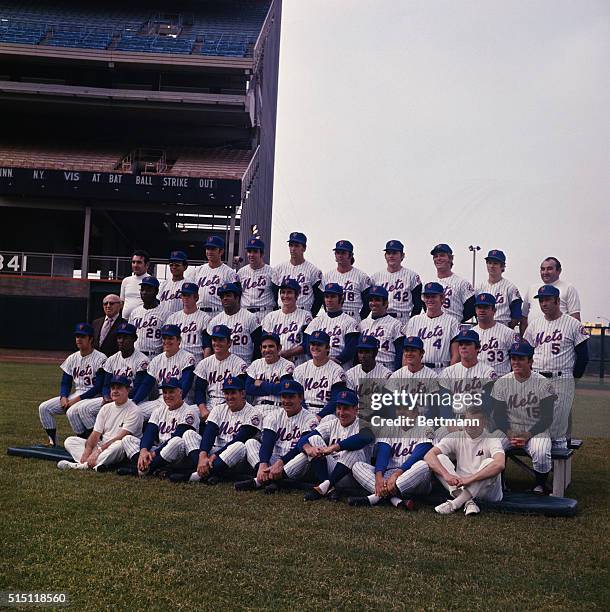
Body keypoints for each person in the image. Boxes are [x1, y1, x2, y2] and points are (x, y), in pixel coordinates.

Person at [523, 285, 589, 448]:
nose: (544, 303)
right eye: (541, 300)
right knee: (536, 424)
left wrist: (574, 377)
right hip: (537, 378)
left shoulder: (573, 324)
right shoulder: (534, 324)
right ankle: (541, 461)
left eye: (548, 300)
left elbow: (583, 356)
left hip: (561, 378)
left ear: (558, 301)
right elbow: (527, 352)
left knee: (557, 429)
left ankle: (559, 470)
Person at [491, 341, 555, 493]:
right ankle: (499, 483)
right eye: (513, 358)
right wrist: (509, 432)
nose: (516, 362)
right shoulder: (502, 382)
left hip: (536, 431)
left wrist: (528, 434)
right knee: (492, 444)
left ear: (530, 361)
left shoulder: (543, 383)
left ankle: (540, 484)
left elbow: (547, 418)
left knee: (541, 452)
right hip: (510, 430)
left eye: (520, 358)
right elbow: (498, 416)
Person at [235, 380, 319, 493]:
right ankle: (270, 479)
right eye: (284, 396)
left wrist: (281, 463)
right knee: (251, 442)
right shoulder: (274, 415)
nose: (286, 400)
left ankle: (259, 481)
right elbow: (267, 444)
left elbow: (299, 448)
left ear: (301, 398)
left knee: (304, 454)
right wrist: (263, 464)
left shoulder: (310, 419)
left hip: (294, 462)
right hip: (273, 460)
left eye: (291, 396)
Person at [67, 322, 149, 438]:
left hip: (133, 400)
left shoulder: (142, 360)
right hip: (113, 397)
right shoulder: (112, 359)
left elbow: (139, 387)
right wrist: (106, 396)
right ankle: (93, 440)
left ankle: (102, 440)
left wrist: (118, 398)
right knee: (83, 409)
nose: (121, 340)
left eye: (125, 337)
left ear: (134, 339)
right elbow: (106, 384)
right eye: (119, 337)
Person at [290, 389, 374, 501]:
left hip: (355, 475)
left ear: (356, 409)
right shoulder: (332, 424)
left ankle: (325, 486)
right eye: (339, 408)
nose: (341, 412)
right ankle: (328, 486)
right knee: (314, 439)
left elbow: (362, 438)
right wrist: (308, 448)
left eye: (346, 408)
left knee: (355, 450)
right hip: (333, 471)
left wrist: (334, 447)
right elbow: (304, 439)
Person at [425, 406, 505, 516]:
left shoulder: (492, 439)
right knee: (439, 458)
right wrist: (447, 475)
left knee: (490, 463)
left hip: (487, 492)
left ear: (484, 422)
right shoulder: (456, 436)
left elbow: (499, 464)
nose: (469, 425)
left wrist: (470, 479)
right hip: (461, 485)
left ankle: (454, 504)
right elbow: (429, 455)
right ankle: (468, 502)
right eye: (467, 421)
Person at [181, 376, 262, 484]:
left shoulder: (254, 413)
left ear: (242, 393)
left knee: (238, 446)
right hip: (215, 452)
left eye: (233, 393)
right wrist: (203, 455)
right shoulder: (219, 409)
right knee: (189, 434)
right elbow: (209, 433)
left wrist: (215, 455)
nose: (229, 397)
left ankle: (194, 475)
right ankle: (211, 471)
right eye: (226, 393)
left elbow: (241, 438)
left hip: (236, 456)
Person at [38, 323, 107, 446]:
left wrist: (76, 400)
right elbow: (65, 382)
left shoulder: (100, 358)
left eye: (82, 336)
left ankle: (89, 442)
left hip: (94, 396)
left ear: (91, 339)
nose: (78, 339)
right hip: (76, 395)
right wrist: (63, 396)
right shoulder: (72, 358)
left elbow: (99, 387)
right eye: (77, 336)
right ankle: (53, 442)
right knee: (44, 408)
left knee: (72, 411)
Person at [57, 375, 142, 471]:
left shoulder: (134, 410)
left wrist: (99, 450)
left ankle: (80, 466)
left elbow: (121, 437)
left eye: (119, 388)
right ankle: (95, 463)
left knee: (119, 445)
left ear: (128, 390)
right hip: (103, 445)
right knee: (70, 441)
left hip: (119, 448)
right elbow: (95, 434)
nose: (115, 391)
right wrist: (87, 450)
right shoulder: (106, 408)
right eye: (113, 388)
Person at [119, 378, 199, 477]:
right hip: (159, 450)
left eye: (171, 392)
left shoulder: (189, 412)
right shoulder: (159, 410)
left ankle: (139, 470)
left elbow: (178, 435)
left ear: (180, 392)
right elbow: (149, 432)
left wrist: (154, 454)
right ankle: (156, 468)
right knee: (127, 439)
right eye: (165, 392)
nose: (167, 396)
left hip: (179, 452)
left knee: (176, 441)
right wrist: (144, 451)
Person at [135, 324, 197, 420]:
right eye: (164, 338)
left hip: (183, 401)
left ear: (179, 340)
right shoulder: (157, 360)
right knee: (135, 412)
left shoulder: (187, 357)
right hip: (161, 400)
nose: (166, 341)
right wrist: (134, 401)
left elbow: (186, 384)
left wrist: (172, 405)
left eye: (170, 338)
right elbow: (146, 385)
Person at [192, 325, 248, 424]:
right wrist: (203, 409)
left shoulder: (239, 364)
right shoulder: (205, 363)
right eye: (214, 340)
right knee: (188, 412)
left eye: (221, 340)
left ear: (229, 343)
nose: (217, 343)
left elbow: (241, 393)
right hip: (210, 403)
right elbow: (199, 391)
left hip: (230, 404)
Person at [403, 282, 459, 373]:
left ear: (442, 298)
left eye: (433, 296)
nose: (429, 299)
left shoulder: (452, 322)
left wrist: (451, 375)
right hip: (418, 370)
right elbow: (406, 353)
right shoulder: (414, 321)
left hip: (441, 369)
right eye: (427, 297)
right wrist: (405, 374)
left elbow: (456, 354)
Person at [292, 330, 348, 417]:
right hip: (303, 413)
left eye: (319, 344)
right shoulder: (300, 369)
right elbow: (298, 397)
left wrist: (320, 416)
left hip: (328, 415)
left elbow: (335, 399)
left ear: (327, 348)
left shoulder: (337, 370)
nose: (315, 347)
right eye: (313, 344)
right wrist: (305, 415)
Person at [304, 283, 360, 369]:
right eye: (327, 296)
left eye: (333, 296)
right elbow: (307, 345)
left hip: (341, 366)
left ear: (341, 299)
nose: (329, 300)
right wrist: (319, 360)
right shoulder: (316, 321)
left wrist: (337, 361)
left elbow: (351, 349)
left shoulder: (350, 322)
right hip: (318, 366)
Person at [261, 278, 312, 366]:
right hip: (276, 363)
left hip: (298, 362)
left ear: (297, 295)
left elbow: (307, 344)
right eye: (283, 292)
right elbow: (264, 342)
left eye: (289, 292)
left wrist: (287, 354)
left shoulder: (305, 316)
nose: (285, 295)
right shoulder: (270, 317)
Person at [207, 282, 261, 364]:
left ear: (237, 298)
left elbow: (258, 345)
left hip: (245, 364)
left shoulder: (250, 318)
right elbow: (210, 347)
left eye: (228, 295)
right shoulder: (215, 321)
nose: (225, 298)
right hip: (221, 366)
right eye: (222, 296)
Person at [521, 257, 581, 330]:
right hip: (534, 336)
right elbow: (524, 318)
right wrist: (523, 339)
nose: (545, 272)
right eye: (543, 269)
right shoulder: (532, 289)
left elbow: (575, 318)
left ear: (559, 271)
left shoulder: (568, 288)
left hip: (558, 336)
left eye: (549, 269)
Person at [371, 240, 422, 324]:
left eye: (394, 253)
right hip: (380, 319)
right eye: (388, 253)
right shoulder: (375, 277)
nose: (391, 256)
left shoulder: (412, 276)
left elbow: (418, 304)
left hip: (403, 319)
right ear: (385, 256)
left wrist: (411, 322)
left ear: (402, 255)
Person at [272, 232, 323, 315]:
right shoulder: (279, 269)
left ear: (304, 248)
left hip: (304, 312)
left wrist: (312, 315)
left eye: (296, 245)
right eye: (291, 245)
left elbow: (319, 298)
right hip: (282, 312)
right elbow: (273, 294)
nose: (293, 248)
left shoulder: (313, 270)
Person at [245, 332, 295, 416]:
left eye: (271, 346)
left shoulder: (287, 365)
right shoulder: (256, 364)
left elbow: (282, 390)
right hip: (257, 407)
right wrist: (273, 387)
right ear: (260, 349)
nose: (267, 350)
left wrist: (261, 383)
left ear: (279, 348)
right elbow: (248, 389)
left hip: (278, 408)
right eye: (264, 347)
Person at [187, 236, 239, 315]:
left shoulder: (230, 273)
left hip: (218, 312)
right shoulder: (197, 271)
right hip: (198, 312)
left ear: (221, 251)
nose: (209, 252)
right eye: (208, 248)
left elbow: (236, 298)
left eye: (213, 249)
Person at [322, 240, 372, 322]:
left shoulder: (361, 276)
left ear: (351, 255)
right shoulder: (328, 276)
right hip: (333, 318)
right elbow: (323, 299)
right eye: (338, 252)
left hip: (353, 316)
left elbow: (367, 302)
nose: (340, 255)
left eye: (343, 253)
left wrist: (361, 318)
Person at [471, 293, 520, 376]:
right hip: (477, 380)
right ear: (475, 310)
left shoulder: (508, 332)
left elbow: (517, 358)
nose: (482, 310)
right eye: (479, 307)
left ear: (494, 310)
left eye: (486, 307)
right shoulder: (471, 333)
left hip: (501, 379)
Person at [358, 285, 404, 371]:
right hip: (366, 369)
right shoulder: (363, 324)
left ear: (386, 303)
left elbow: (400, 353)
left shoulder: (396, 324)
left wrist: (396, 373)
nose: (373, 303)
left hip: (387, 368)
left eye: (377, 300)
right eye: (371, 300)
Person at [166, 282, 211, 362]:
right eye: (184, 295)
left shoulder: (205, 318)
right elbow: (167, 344)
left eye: (189, 295)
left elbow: (207, 346)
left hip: (196, 360)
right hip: (176, 360)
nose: (186, 298)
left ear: (196, 297)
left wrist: (204, 365)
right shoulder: (172, 318)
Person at [476, 250, 522, 328]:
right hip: (483, 327)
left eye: (495, 263)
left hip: (502, 325)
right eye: (489, 263)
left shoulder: (510, 287)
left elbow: (517, 313)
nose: (492, 266)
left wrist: (507, 329)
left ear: (502, 266)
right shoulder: (479, 287)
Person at [430, 243, 475, 322]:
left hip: (454, 327)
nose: (438, 258)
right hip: (433, 327)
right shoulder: (428, 283)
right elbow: (424, 305)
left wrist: (456, 320)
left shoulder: (461, 283)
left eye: (442, 255)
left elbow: (471, 308)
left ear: (450, 258)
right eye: (436, 256)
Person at [237, 237, 276, 324]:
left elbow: (276, 294)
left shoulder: (271, 272)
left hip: (265, 313)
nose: (251, 254)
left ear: (261, 254)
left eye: (255, 251)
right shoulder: (241, 272)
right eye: (249, 251)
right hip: (245, 313)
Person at [128, 276, 168, 358]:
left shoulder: (166, 313)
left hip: (154, 356)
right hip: (136, 356)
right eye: (142, 289)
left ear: (156, 291)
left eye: (148, 290)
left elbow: (167, 340)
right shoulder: (135, 312)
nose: (144, 292)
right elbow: (129, 337)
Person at [120, 250, 150, 320]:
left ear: (147, 265)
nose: (135, 265)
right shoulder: (126, 281)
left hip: (142, 320)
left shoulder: (151, 281)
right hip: (125, 320)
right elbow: (122, 302)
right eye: (133, 262)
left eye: (139, 262)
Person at [158, 250, 189, 316]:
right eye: (171, 265)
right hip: (164, 319)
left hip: (181, 319)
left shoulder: (189, 284)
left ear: (185, 267)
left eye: (177, 265)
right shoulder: (163, 284)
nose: (173, 267)